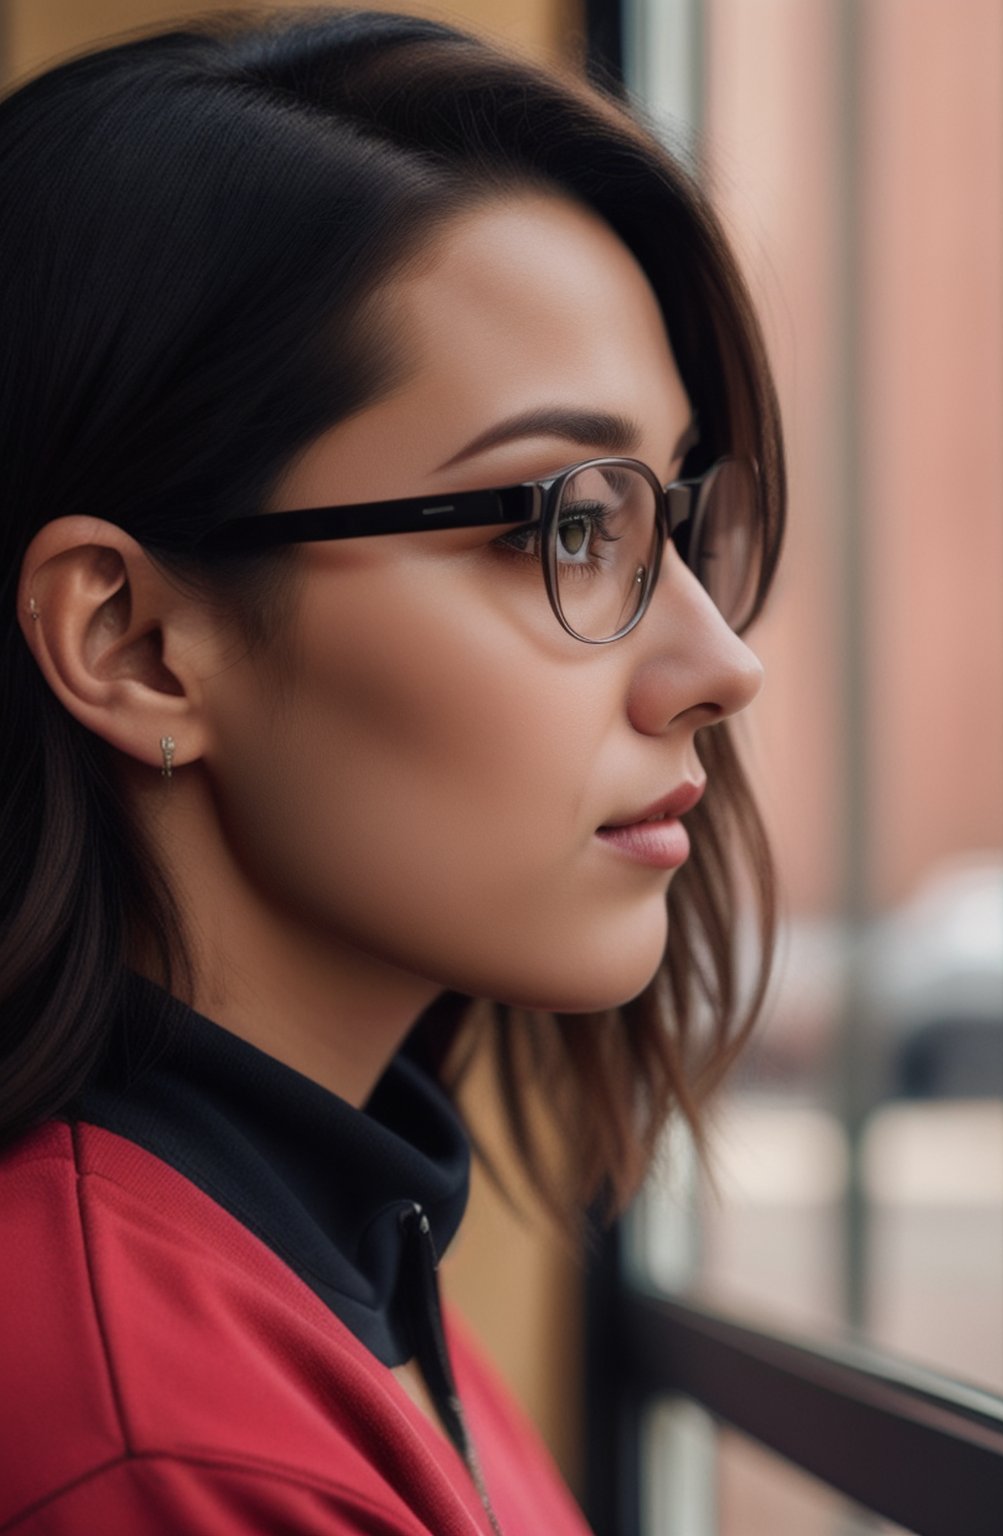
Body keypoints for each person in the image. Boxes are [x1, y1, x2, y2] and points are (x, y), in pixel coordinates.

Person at [0, 8, 784, 1533]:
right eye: (562, 522)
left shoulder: (322, 1241)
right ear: (136, 642)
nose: (719, 665)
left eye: (670, 514)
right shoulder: (170, 1452)